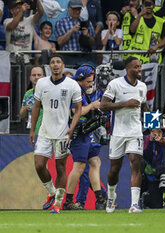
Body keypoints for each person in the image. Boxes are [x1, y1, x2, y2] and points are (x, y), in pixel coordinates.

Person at [30, 54, 82, 214]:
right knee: (39, 165)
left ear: (63, 65)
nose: (55, 64)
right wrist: (33, 130)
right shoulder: (42, 84)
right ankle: (52, 193)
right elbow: (37, 107)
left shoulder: (72, 85)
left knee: (61, 168)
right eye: (52, 62)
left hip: (62, 133)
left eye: (58, 62)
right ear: (49, 66)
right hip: (45, 132)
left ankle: (58, 204)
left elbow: (78, 109)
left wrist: (72, 127)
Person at [100, 56, 149, 213]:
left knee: (136, 164)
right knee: (114, 170)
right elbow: (103, 105)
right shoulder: (115, 84)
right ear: (128, 69)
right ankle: (111, 196)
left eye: (140, 67)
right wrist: (125, 104)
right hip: (118, 132)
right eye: (136, 67)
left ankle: (134, 205)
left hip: (135, 131)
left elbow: (145, 107)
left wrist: (154, 127)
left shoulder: (142, 86)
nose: (139, 69)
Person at [62, 65, 106, 210]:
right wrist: (93, 105)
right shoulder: (74, 89)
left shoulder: (79, 89)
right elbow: (76, 111)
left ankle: (100, 199)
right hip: (77, 132)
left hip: (84, 133)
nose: (90, 85)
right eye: (88, 82)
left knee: (94, 161)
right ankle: (68, 201)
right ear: (80, 80)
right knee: (79, 166)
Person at [142, 127, 165, 208]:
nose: (161, 134)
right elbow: (147, 157)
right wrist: (151, 141)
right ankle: (148, 200)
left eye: (164, 131)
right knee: (156, 205)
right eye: (158, 131)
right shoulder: (148, 138)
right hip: (154, 174)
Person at [55, 0, 96, 65]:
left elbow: (93, 42)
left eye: (79, 9)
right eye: (74, 9)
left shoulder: (87, 22)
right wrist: (71, 31)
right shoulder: (61, 22)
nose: (77, 11)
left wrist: (88, 35)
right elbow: (60, 42)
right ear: (69, 8)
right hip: (68, 56)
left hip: (84, 56)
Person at [20, 66, 45, 132]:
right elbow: (21, 115)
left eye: (39, 75)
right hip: (33, 131)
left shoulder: (49, 92)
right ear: (30, 78)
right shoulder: (28, 94)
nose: (36, 77)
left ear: (44, 77)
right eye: (34, 75)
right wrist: (25, 108)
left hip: (47, 132)